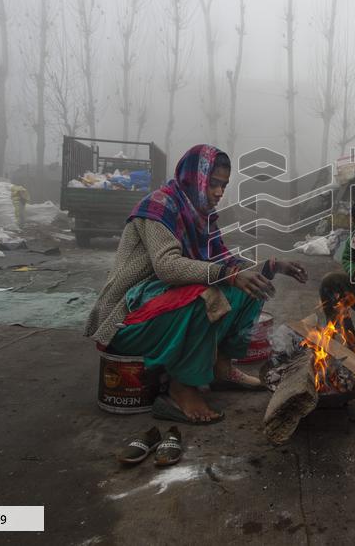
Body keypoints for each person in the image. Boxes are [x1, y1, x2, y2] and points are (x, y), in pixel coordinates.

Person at [85, 144, 308, 424]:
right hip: (127, 319)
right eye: (213, 183)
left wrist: (273, 265)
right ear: (194, 177)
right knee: (209, 292)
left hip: (163, 309)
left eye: (223, 186)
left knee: (252, 286)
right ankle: (182, 386)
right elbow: (168, 267)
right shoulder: (157, 207)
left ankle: (221, 368)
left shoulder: (201, 218)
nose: (218, 192)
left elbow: (229, 265)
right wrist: (228, 275)